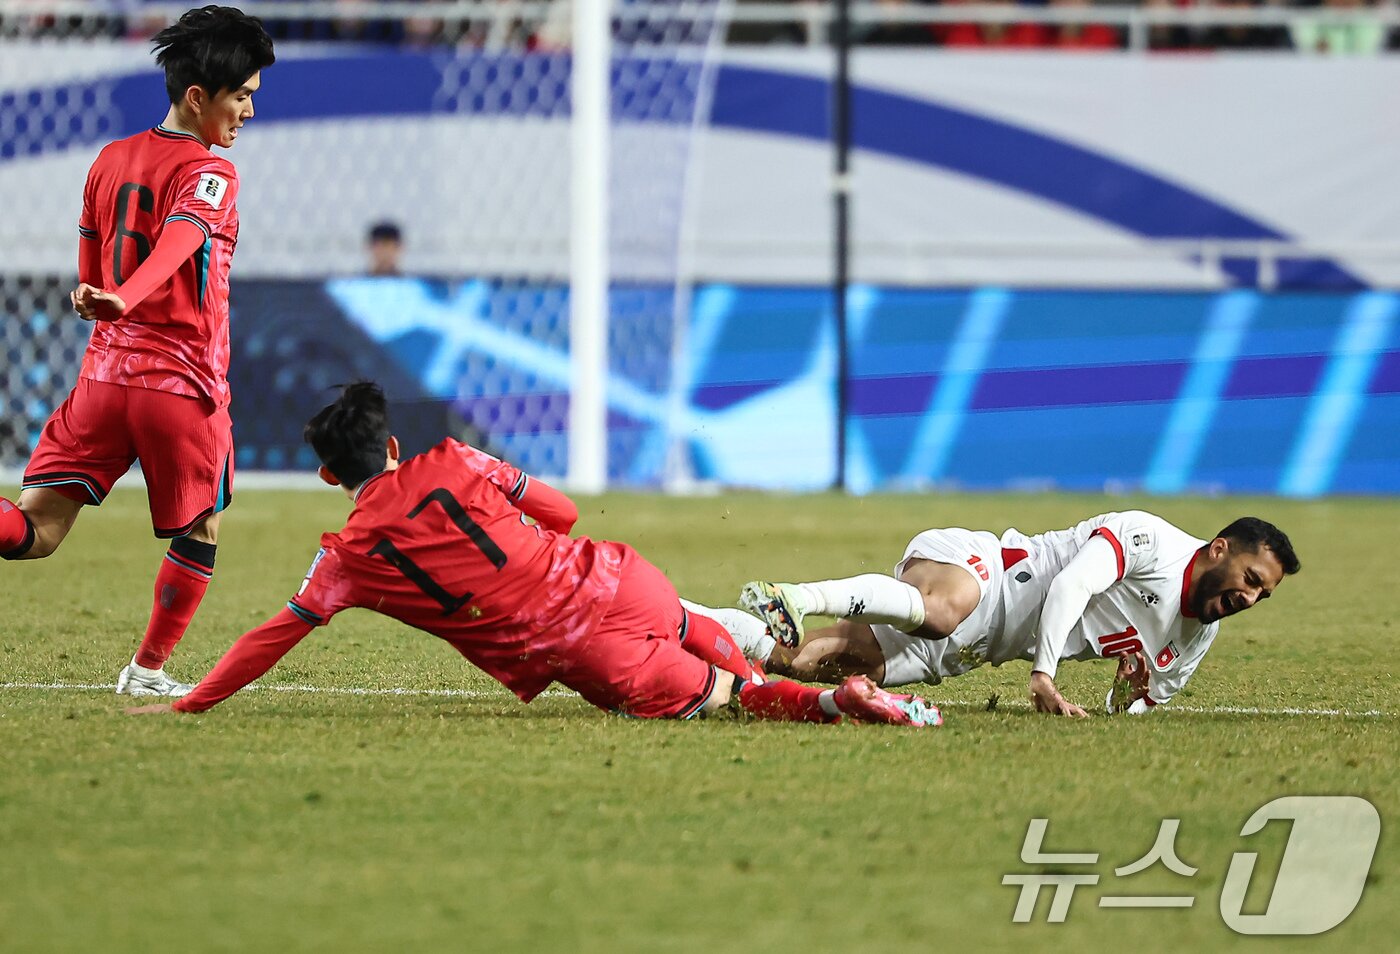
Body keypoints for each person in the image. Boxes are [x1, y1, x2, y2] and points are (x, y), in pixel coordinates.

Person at [128, 383, 941, 728]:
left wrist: (189, 703)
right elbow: (561, 510)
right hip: (620, 577)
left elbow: (273, 636)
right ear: (395, 444)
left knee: (733, 697)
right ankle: (798, 676)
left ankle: (832, 704)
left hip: (580, 648)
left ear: (327, 475)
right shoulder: (456, 458)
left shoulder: (346, 554)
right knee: (689, 620)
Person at [0, 6, 275, 697]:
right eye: (240, 96)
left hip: (101, 380)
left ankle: (147, 671)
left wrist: (105, 297)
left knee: (36, 529)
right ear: (197, 97)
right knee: (203, 526)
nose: (246, 110)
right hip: (178, 385)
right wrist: (131, 292)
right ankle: (147, 670)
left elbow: (89, 271)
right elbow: (183, 236)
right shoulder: (212, 172)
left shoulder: (110, 158)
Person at [737, 511, 1299, 717]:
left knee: (806, 661)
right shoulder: (1150, 537)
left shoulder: (1198, 636)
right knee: (941, 611)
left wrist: (1126, 692)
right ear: (1220, 549)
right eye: (1251, 580)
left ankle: (679, 619)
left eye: (1262, 596)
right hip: (988, 570)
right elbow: (1073, 585)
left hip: (977, 648)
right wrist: (1045, 674)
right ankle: (798, 596)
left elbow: (1135, 712)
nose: (1249, 599)